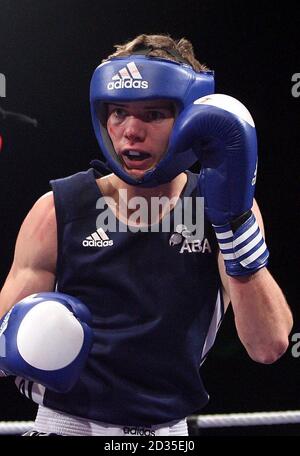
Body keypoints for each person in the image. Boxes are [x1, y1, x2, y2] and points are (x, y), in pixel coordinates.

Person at [0, 34, 293, 436]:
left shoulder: (219, 209)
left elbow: (269, 344)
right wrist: (21, 343)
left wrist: (233, 225)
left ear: (192, 119)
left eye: (153, 114)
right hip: (65, 426)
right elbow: (3, 342)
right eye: (118, 112)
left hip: (167, 436)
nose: (131, 131)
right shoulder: (56, 210)